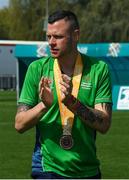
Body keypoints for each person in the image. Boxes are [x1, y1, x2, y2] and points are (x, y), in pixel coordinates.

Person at [15, 10, 112, 179]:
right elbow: (19, 124)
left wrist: (72, 103)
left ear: (76, 35)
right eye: (48, 37)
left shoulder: (98, 69)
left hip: (87, 169)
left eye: (58, 37)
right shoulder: (37, 69)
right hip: (47, 167)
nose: (51, 42)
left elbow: (104, 124)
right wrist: (44, 105)